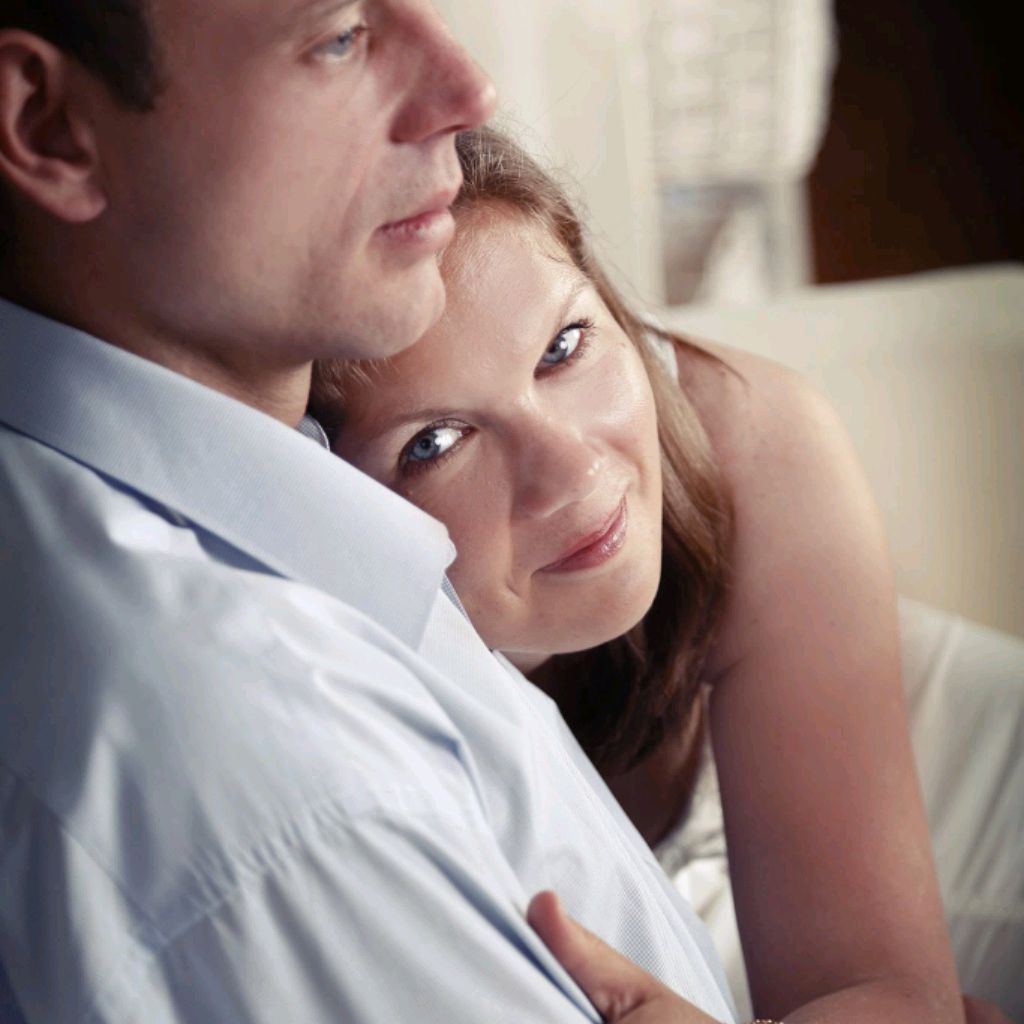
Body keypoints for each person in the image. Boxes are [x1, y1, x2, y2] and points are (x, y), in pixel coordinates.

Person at [0, 3, 750, 1023]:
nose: (468, 91)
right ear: (51, 127)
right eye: (341, 36)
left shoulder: (251, 522)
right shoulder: (274, 770)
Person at [311, 125, 989, 1022]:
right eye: (436, 442)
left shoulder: (755, 443)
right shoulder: (320, 653)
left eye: (564, 346)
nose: (572, 470)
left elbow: (885, 991)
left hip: (968, 839)